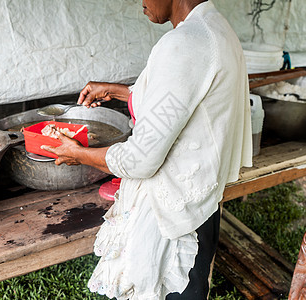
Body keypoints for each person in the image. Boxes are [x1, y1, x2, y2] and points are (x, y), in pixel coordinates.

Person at [41, 0, 252, 299]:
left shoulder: (184, 44)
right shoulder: (216, 28)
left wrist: (79, 154)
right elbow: (181, 101)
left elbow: (140, 160)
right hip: (200, 204)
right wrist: (116, 91)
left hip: (169, 222)